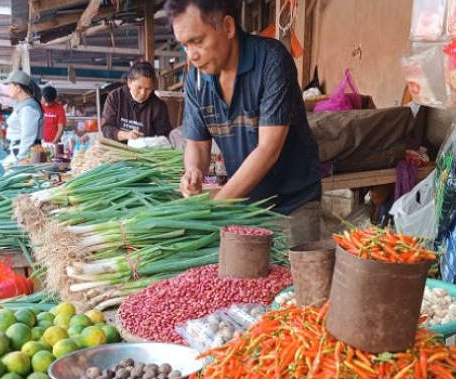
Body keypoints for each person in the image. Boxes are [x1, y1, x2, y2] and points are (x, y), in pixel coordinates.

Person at [166, 0, 322, 246]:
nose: (191, 55)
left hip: (292, 205)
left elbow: (268, 149)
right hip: (244, 204)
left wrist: (212, 210)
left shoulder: (272, 60)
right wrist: (194, 171)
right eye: (185, 45)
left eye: (198, 41)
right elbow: (196, 144)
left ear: (227, 27)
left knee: (295, 278)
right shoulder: (196, 79)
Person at [101, 61, 173, 142]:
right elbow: (106, 128)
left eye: (148, 89)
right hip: (117, 149)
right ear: (129, 83)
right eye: (139, 87)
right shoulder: (115, 97)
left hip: (145, 151)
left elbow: (164, 135)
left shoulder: (158, 106)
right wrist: (126, 135)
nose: (143, 93)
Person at [2, 70, 43, 162]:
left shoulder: (28, 108)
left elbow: (28, 137)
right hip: (17, 154)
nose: (7, 88)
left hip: (25, 158)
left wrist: (20, 159)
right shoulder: (21, 104)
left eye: (9, 85)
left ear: (18, 87)